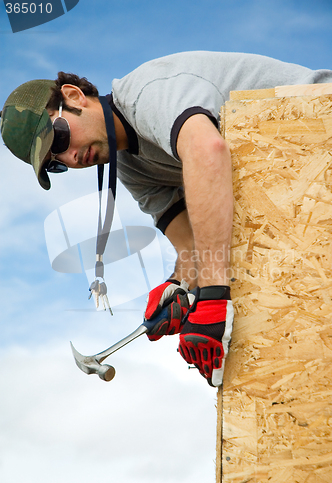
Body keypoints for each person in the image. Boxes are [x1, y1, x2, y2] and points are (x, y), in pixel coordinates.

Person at [1, 51, 332, 387]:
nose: (71, 157)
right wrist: (178, 285)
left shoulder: (147, 92)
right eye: (56, 163)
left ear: (73, 97)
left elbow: (207, 151)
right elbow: (190, 245)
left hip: (321, 130)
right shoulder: (130, 165)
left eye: (58, 138)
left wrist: (214, 294)